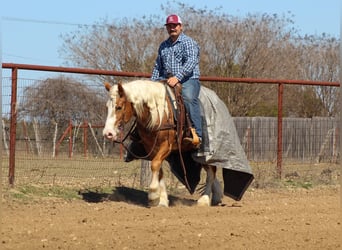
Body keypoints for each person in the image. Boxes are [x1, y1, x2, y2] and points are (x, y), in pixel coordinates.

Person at [151, 14, 202, 146]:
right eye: (169, 26)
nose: (172, 28)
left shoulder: (189, 42)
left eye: (175, 25)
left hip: (188, 79)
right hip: (166, 79)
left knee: (189, 98)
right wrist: (151, 84)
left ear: (180, 26)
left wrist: (177, 77)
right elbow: (158, 66)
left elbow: (191, 62)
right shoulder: (163, 46)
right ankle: (142, 135)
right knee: (147, 99)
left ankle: (197, 134)